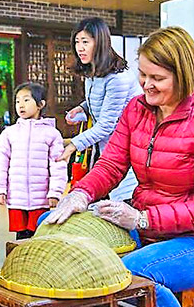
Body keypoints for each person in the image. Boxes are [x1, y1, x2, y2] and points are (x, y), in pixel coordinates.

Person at [45, 27, 194, 307]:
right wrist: (80, 195)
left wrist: (142, 218)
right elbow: (111, 164)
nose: (146, 86)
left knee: (131, 272)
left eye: (158, 78)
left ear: (184, 75)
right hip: (150, 227)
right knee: (54, 224)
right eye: (143, 75)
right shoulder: (137, 109)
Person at [60, 17, 142, 201]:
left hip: (125, 149)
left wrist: (73, 144)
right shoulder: (93, 72)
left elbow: (106, 125)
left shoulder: (118, 78)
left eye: (85, 42)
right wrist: (81, 109)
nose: (79, 48)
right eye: (77, 42)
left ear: (100, 42)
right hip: (105, 148)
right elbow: (97, 103)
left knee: (121, 200)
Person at [0, 82, 67, 240]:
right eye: (18, 101)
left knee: (40, 235)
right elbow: (0, 162)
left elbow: (58, 166)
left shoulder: (52, 134)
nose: (21, 105)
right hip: (16, 197)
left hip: (42, 199)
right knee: (20, 237)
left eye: (26, 100)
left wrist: (55, 192)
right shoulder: (9, 133)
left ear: (40, 104)